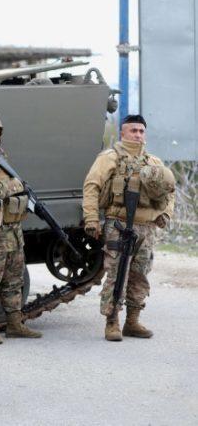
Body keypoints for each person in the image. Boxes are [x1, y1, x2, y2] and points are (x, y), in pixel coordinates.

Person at [82, 114, 175, 341]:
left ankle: (132, 321)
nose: (138, 135)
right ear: (122, 133)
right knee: (117, 273)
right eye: (133, 130)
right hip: (119, 225)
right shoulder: (109, 158)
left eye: (141, 131)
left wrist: (165, 213)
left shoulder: (154, 162)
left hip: (147, 227)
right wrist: (91, 218)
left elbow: (169, 191)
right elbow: (92, 186)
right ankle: (112, 321)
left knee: (140, 275)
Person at [0, 112, 41, 344]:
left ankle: (14, 324)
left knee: (14, 281)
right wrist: (15, 185)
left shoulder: (1, 158)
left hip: (13, 233)